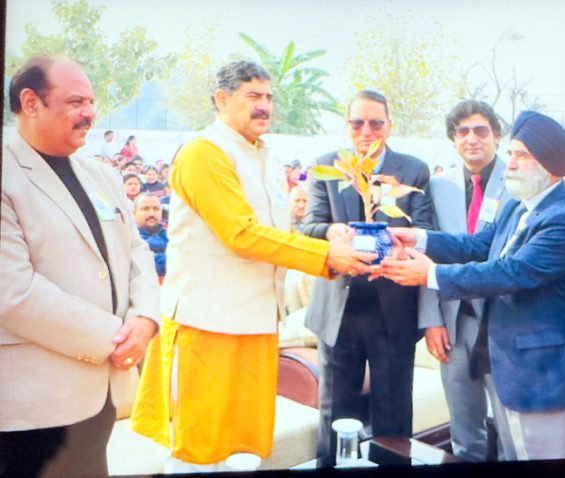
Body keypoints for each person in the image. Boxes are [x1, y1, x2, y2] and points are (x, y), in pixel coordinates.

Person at [130, 60, 375, 473]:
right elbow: (241, 233)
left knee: (242, 446)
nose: (264, 106)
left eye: (268, 97)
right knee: (198, 447)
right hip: (207, 323)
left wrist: (332, 239)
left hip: (257, 322)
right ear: (222, 99)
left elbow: (277, 231)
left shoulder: (265, 156)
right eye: (253, 96)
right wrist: (324, 258)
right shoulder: (204, 153)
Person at [380, 111, 565, 461]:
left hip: (545, 379)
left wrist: (431, 275)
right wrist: (418, 239)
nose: (510, 163)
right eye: (511, 153)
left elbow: (510, 273)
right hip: (513, 370)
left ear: (551, 165)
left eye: (522, 155)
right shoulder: (519, 206)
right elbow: (478, 247)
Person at [0, 54, 160, 477]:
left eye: (90, 102)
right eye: (75, 102)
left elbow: (137, 251)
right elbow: (14, 293)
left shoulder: (102, 175)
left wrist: (145, 318)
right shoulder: (7, 176)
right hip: (35, 407)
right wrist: (119, 339)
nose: (89, 113)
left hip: (102, 396)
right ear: (30, 103)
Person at [303, 89, 434, 465]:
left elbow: (426, 230)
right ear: (347, 126)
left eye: (376, 123)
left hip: (393, 311)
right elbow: (309, 225)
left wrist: (400, 248)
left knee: (393, 417)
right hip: (338, 311)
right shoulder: (326, 167)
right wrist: (334, 233)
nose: (367, 131)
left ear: (389, 127)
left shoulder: (414, 170)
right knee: (334, 416)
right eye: (358, 123)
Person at [418, 100, 511, 461]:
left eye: (481, 130)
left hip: (503, 324)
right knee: (464, 432)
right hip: (454, 324)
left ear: (497, 136)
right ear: (453, 139)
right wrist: (431, 320)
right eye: (463, 132)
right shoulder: (438, 186)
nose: (472, 139)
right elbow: (429, 255)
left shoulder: (519, 180)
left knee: (510, 433)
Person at [134, 193, 168, 280]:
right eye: (145, 209)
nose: (151, 213)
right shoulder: (131, 239)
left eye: (156, 209)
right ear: (134, 213)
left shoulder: (171, 235)